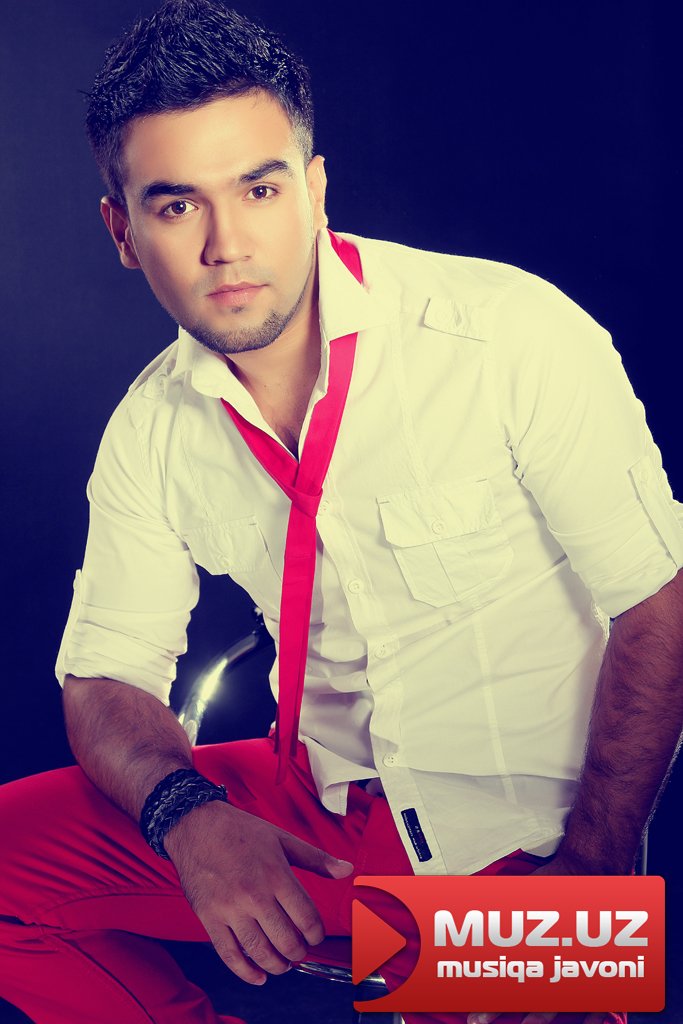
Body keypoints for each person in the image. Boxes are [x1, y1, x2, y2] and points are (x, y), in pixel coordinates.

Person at [1, 2, 681, 1023]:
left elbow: (658, 602)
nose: (228, 244)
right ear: (123, 232)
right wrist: (189, 817)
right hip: (315, 810)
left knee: (525, 988)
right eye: (177, 205)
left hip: (518, 851)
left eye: (259, 188)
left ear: (313, 190)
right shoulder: (150, 427)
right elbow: (104, 675)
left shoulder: (507, 337)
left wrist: (588, 881)